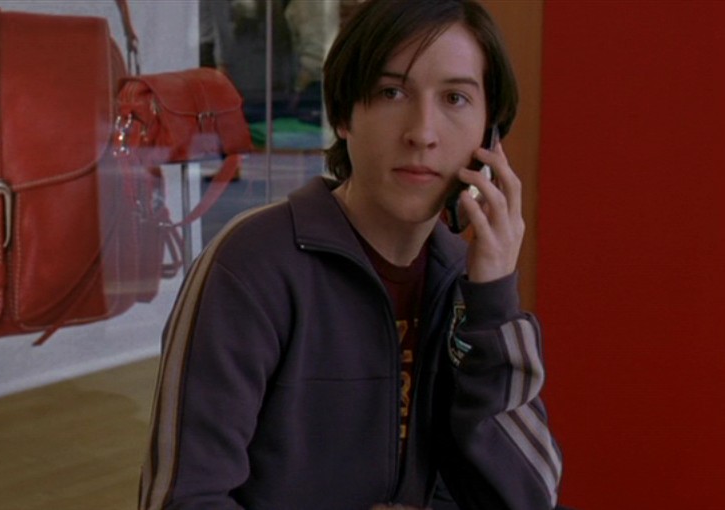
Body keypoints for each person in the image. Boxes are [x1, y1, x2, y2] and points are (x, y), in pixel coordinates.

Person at [139, 1, 562, 509]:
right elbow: (184, 499)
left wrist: (492, 303)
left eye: (455, 98)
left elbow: (526, 497)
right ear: (343, 115)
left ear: (489, 134)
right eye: (391, 92)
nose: (422, 132)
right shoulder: (251, 263)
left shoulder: (462, 280)